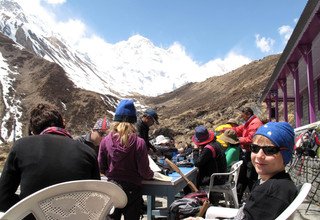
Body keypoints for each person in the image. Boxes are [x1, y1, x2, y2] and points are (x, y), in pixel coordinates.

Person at [0, 103, 100, 214]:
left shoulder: (21, 146)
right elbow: (96, 200)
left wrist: (28, 205)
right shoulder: (88, 152)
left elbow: (2, 199)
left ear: (33, 131)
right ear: (63, 125)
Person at [98, 99, 154, 220]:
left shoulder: (105, 141)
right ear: (133, 120)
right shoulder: (139, 143)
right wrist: (151, 174)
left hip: (112, 188)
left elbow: (101, 167)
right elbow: (144, 171)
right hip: (133, 190)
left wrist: (110, 173)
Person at [232, 107, 263, 202]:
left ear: (248, 114)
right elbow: (240, 129)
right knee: (244, 176)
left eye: (243, 115)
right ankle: (238, 198)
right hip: (249, 152)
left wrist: (238, 140)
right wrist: (229, 130)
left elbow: (251, 139)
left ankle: (254, 199)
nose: (242, 117)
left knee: (250, 177)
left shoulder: (254, 123)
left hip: (252, 152)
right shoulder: (250, 123)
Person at [191, 125, 227, 204]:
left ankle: (197, 200)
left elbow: (197, 163)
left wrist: (195, 150)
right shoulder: (216, 144)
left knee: (192, 180)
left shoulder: (208, 149)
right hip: (221, 176)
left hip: (215, 179)